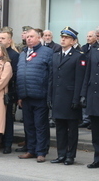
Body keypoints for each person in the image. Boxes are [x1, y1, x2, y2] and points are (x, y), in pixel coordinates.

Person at [48, 27, 86, 165]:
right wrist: (50, 97)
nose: (63, 40)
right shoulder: (56, 55)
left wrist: (77, 99)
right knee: (60, 130)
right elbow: (52, 79)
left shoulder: (78, 56)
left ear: (73, 41)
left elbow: (79, 80)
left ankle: (70, 155)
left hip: (70, 98)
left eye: (67, 38)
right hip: (58, 98)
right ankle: (61, 154)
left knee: (71, 131)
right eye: (62, 37)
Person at [17, 29, 53, 163]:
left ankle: (41, 151)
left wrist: (49, 95)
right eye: (27, 37)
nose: (29, 39)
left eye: (31, 36)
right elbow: (19, 74)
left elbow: (51, 75)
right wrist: (20, 95)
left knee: (40, 125)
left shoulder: (47, 52)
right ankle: (31, 150)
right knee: (29, 125)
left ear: (39, 38)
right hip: (26, 96)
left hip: (40, 95)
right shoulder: (23, 53)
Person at [0, 29, 19, 154]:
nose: (0, 40)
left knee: (7, 119)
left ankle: (7, 144)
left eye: (3, 38)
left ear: (9, 41)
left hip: (8, 91)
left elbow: (15, 75)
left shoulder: (14, 55)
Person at [81, 33, 99, 168]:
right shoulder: (93, 50)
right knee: (96, 132)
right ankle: (97, 158)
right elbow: (87, 73)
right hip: (94, 96)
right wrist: (83, 94)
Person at [79, 31, 98, 128]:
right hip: (92, 89)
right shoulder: (89, 49)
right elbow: (87, 72)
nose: (88, 38)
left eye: (90, 36)